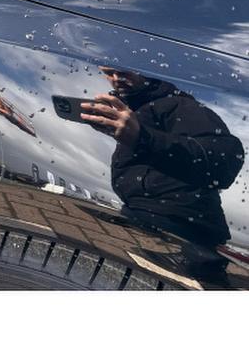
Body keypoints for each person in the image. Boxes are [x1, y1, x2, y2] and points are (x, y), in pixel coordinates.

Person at [80, 66, 244, 283]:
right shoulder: (138, 110)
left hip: (186, 235)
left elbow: (225, 159)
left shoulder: (179, 104)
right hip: (150, 224)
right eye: (109, 73)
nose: (116, 79)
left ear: (144, 69)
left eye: (124, 71)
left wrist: (143, 137)